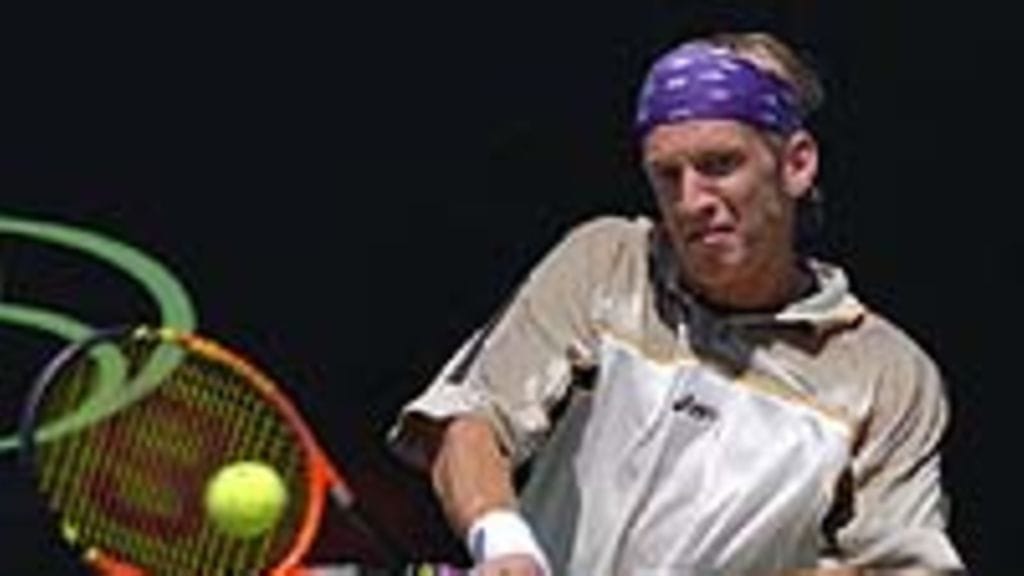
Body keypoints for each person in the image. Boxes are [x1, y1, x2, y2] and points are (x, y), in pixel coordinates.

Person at [387, 31, 966, 575]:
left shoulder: (889, 375)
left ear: (796, 164)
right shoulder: (603, 263)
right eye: (667, 174)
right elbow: (470, 419)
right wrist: (504, 543)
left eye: (719, 166)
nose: (691, 201)